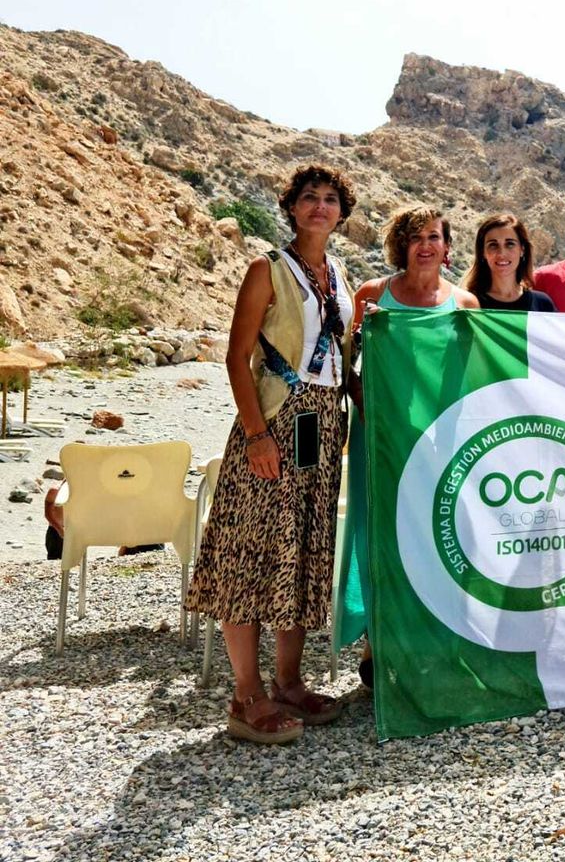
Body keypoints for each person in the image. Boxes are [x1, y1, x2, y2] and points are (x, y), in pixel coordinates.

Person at [184, 164, 358, 744]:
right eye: (309, 197)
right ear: (291, 207)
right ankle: (245, 695)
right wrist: (257, 435)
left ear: (341, 212)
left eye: (330, 199)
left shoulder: (338, 274)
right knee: (249, 551)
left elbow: (342, 355)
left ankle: (288, 681)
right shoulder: (268, 269)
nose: (320, 206)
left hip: (321, 428)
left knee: (301, 549)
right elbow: (237, 357)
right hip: (275, 423)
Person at [341, 206, 481, 686]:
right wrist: (368, 399)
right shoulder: (371, 295)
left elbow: (472, 374)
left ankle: (436, 644)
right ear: (401, 245)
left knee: (436, 533)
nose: (425, 245)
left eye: (434, 237)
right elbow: (344, 366)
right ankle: (377, 643)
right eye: (416, 237)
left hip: (440, 440)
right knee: (381, 532)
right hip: (381, 436)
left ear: (447, 247)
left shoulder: (464, 304)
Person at [464, 212, 556, 312]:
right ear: (483, 252)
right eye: (493, 245)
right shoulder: (468, 304)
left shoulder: (542, 304)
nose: (501, 254)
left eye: (510, 244)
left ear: (522, 250)